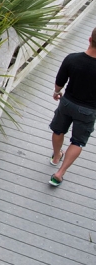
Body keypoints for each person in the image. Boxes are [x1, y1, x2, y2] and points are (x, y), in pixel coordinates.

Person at [49, 26, 96, 186]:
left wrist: (56, 93)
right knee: (77, 142)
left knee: (58, 130)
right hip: (88, 110)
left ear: (90, 39)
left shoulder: (72, 59)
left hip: (67, 103)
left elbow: (59, 82)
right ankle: (59, 173)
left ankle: (56, 157)